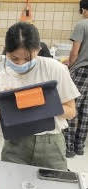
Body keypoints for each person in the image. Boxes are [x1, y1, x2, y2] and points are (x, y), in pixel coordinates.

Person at [0, 22, 80, 170]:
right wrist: (10, 104)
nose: (20, 63)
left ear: (37, 50)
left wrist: (41, 103)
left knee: (54, 188)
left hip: (50, 143)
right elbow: (1, 117)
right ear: (6, 52)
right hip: (15, 145)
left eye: (27, 58)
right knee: (11, 186)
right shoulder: (2, 77)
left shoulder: (55, 69)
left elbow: (71, 112)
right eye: (14, 58)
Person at [63, 0, 88, 158]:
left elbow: (74, 53)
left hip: (82, 71)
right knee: (86, 111)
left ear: (84, 9)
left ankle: (69, 147)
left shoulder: (82, 24)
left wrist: (69, 65)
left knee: (71, 108)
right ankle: (80, 147)